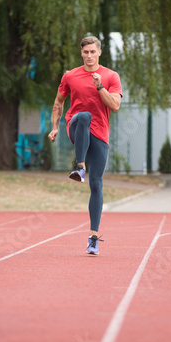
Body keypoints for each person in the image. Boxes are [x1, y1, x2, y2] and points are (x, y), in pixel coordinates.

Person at [48, 35, 122, 255]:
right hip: (77, 126)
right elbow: (58, 102)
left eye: (93, 52)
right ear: (81, 53)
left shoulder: (110, 76)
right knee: (83, 116)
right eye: (85, 52)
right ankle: (80, 166)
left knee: (97, 185)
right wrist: (55, 127)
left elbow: (116, 106)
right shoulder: (70, 75)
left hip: (100, 133)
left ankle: (92, 238)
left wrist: (100, 87)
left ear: (99, 52)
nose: (89, 56)